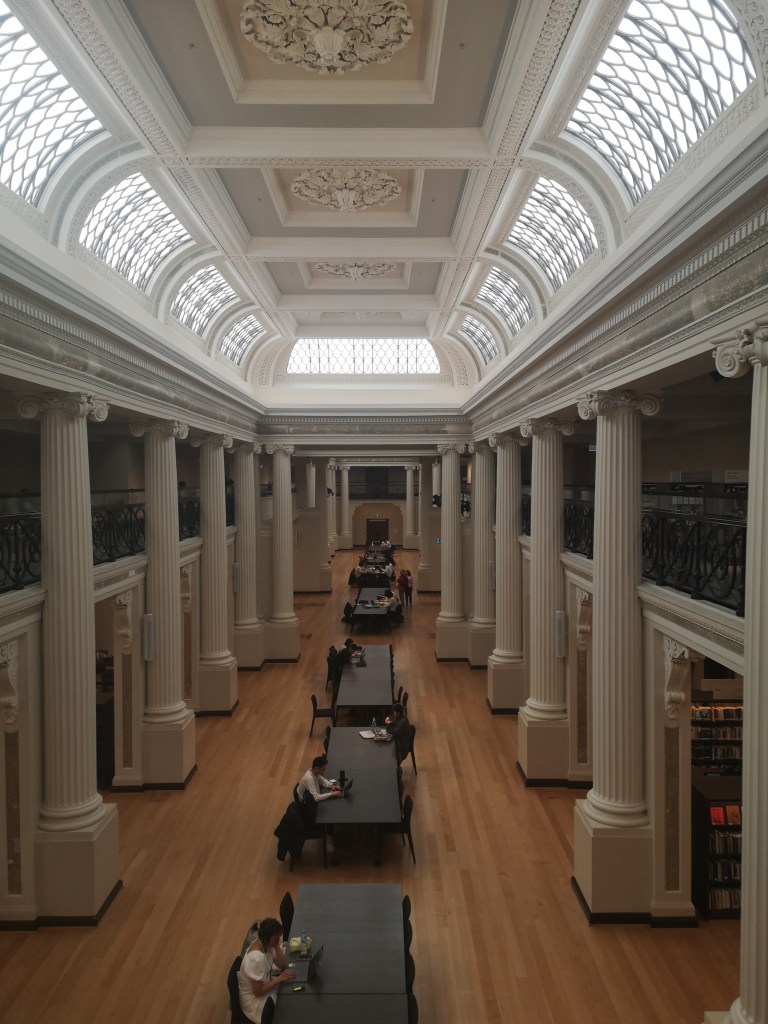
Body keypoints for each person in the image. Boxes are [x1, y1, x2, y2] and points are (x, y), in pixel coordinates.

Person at [238, 917, 295, 1023]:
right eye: (276, 939)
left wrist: (276, 945)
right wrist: (280, 979)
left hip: (266, 983)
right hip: (254, 1002)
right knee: (285, 1009)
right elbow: (258, 992)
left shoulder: (265, 944)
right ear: (266, 939)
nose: (279, 940)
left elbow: (283, 964)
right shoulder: (256, 959)